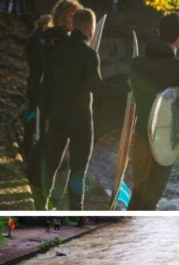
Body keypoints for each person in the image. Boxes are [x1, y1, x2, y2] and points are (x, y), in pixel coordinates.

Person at [128, 12, 179, 210]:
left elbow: (129, 98)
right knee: (152, 198)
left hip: (140, 135)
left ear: (158, 32)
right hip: (164, 141)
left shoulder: (138, 62)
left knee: (138, 193)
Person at [44, 8, 109, 210]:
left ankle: (41, 203)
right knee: (79, 167)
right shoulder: (89, 54)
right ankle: (75, 209)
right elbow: (96, 87)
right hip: (80, 118)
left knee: (52, 161)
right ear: (90, 28)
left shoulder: (58, 50)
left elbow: (48, 84)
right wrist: (126, 89)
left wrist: (46, 114)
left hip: (57, 113)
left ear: (73, 25)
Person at [28, 0, 82, 193]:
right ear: (61, 16)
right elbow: (52, 71)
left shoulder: (61, 37)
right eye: (71, 16)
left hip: (53, 97)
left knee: (47, 141)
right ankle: (35, 184)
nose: (74, 20)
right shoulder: (54, 37)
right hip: (50, 97)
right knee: (47, 142)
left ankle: (35, 183)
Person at [22, 15, 53, 157]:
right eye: (49, 25)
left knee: (34, 116)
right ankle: (27, 148)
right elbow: (39, 62)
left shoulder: (40, 41)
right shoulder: (36, 41)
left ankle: (30, 148)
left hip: (38, 86)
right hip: (36, 86)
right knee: (32, 117)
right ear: (44, 25)